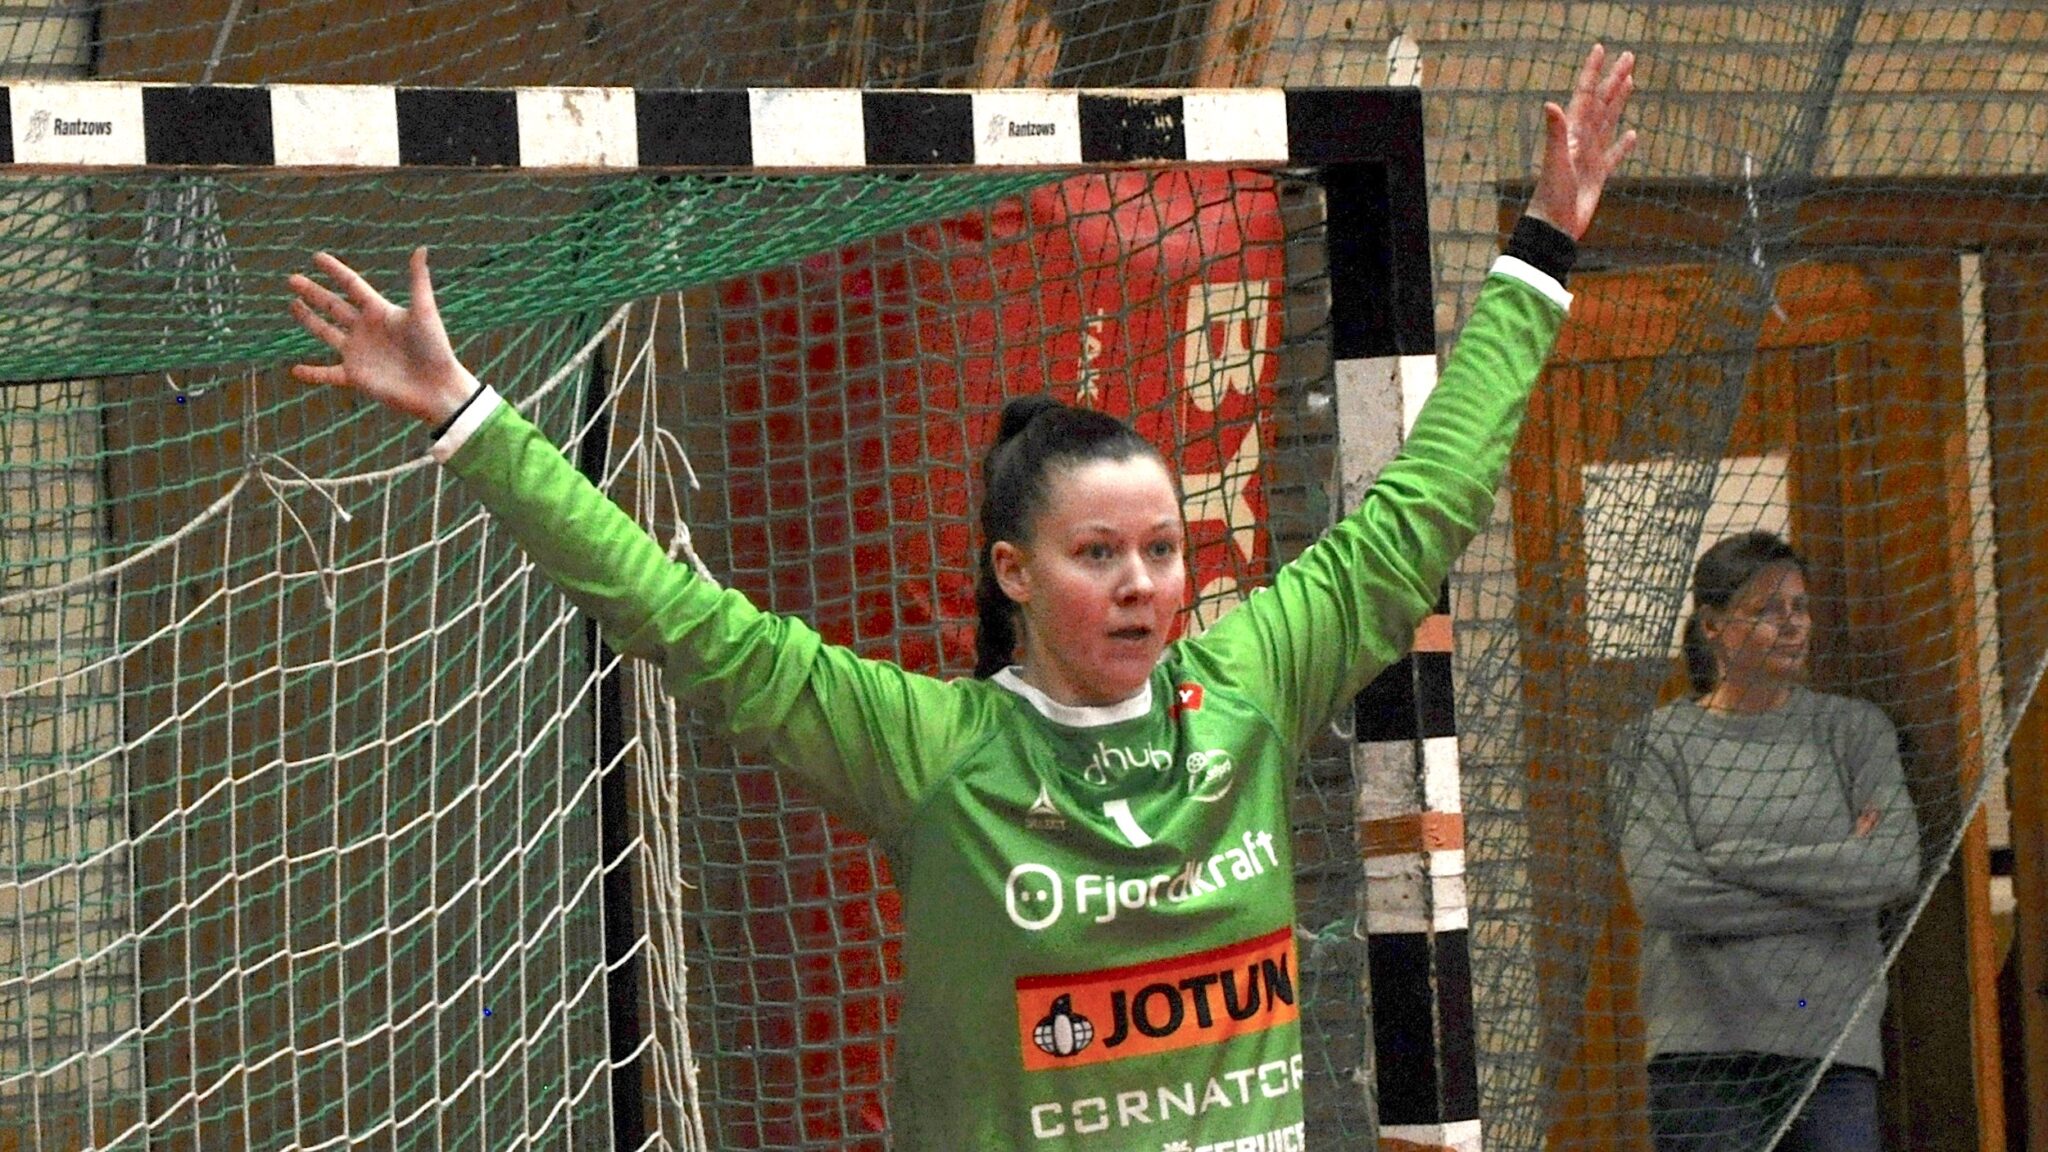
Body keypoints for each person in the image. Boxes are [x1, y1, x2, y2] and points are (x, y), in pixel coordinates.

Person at [287, 45, 1635, 1151]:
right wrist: (467, 416)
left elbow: (1419, 510)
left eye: (1162, 550)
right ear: (1011, 573)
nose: (1141, 584)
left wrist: (1539, 251)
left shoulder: (1249, 687)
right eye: (1096, 554)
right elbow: (678, 619)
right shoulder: (934, 753)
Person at [1611, 530, 1923, 1152]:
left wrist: (1734, 861)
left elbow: (1892, 868)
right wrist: (1835, 885)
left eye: (1800, 607)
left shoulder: (1852, 731)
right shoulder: (1653, 745)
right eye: (1767, 610)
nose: (1792, 625)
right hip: (1702, 1053)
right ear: (1713, 626)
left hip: (1831, 1043)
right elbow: (1667, 897)